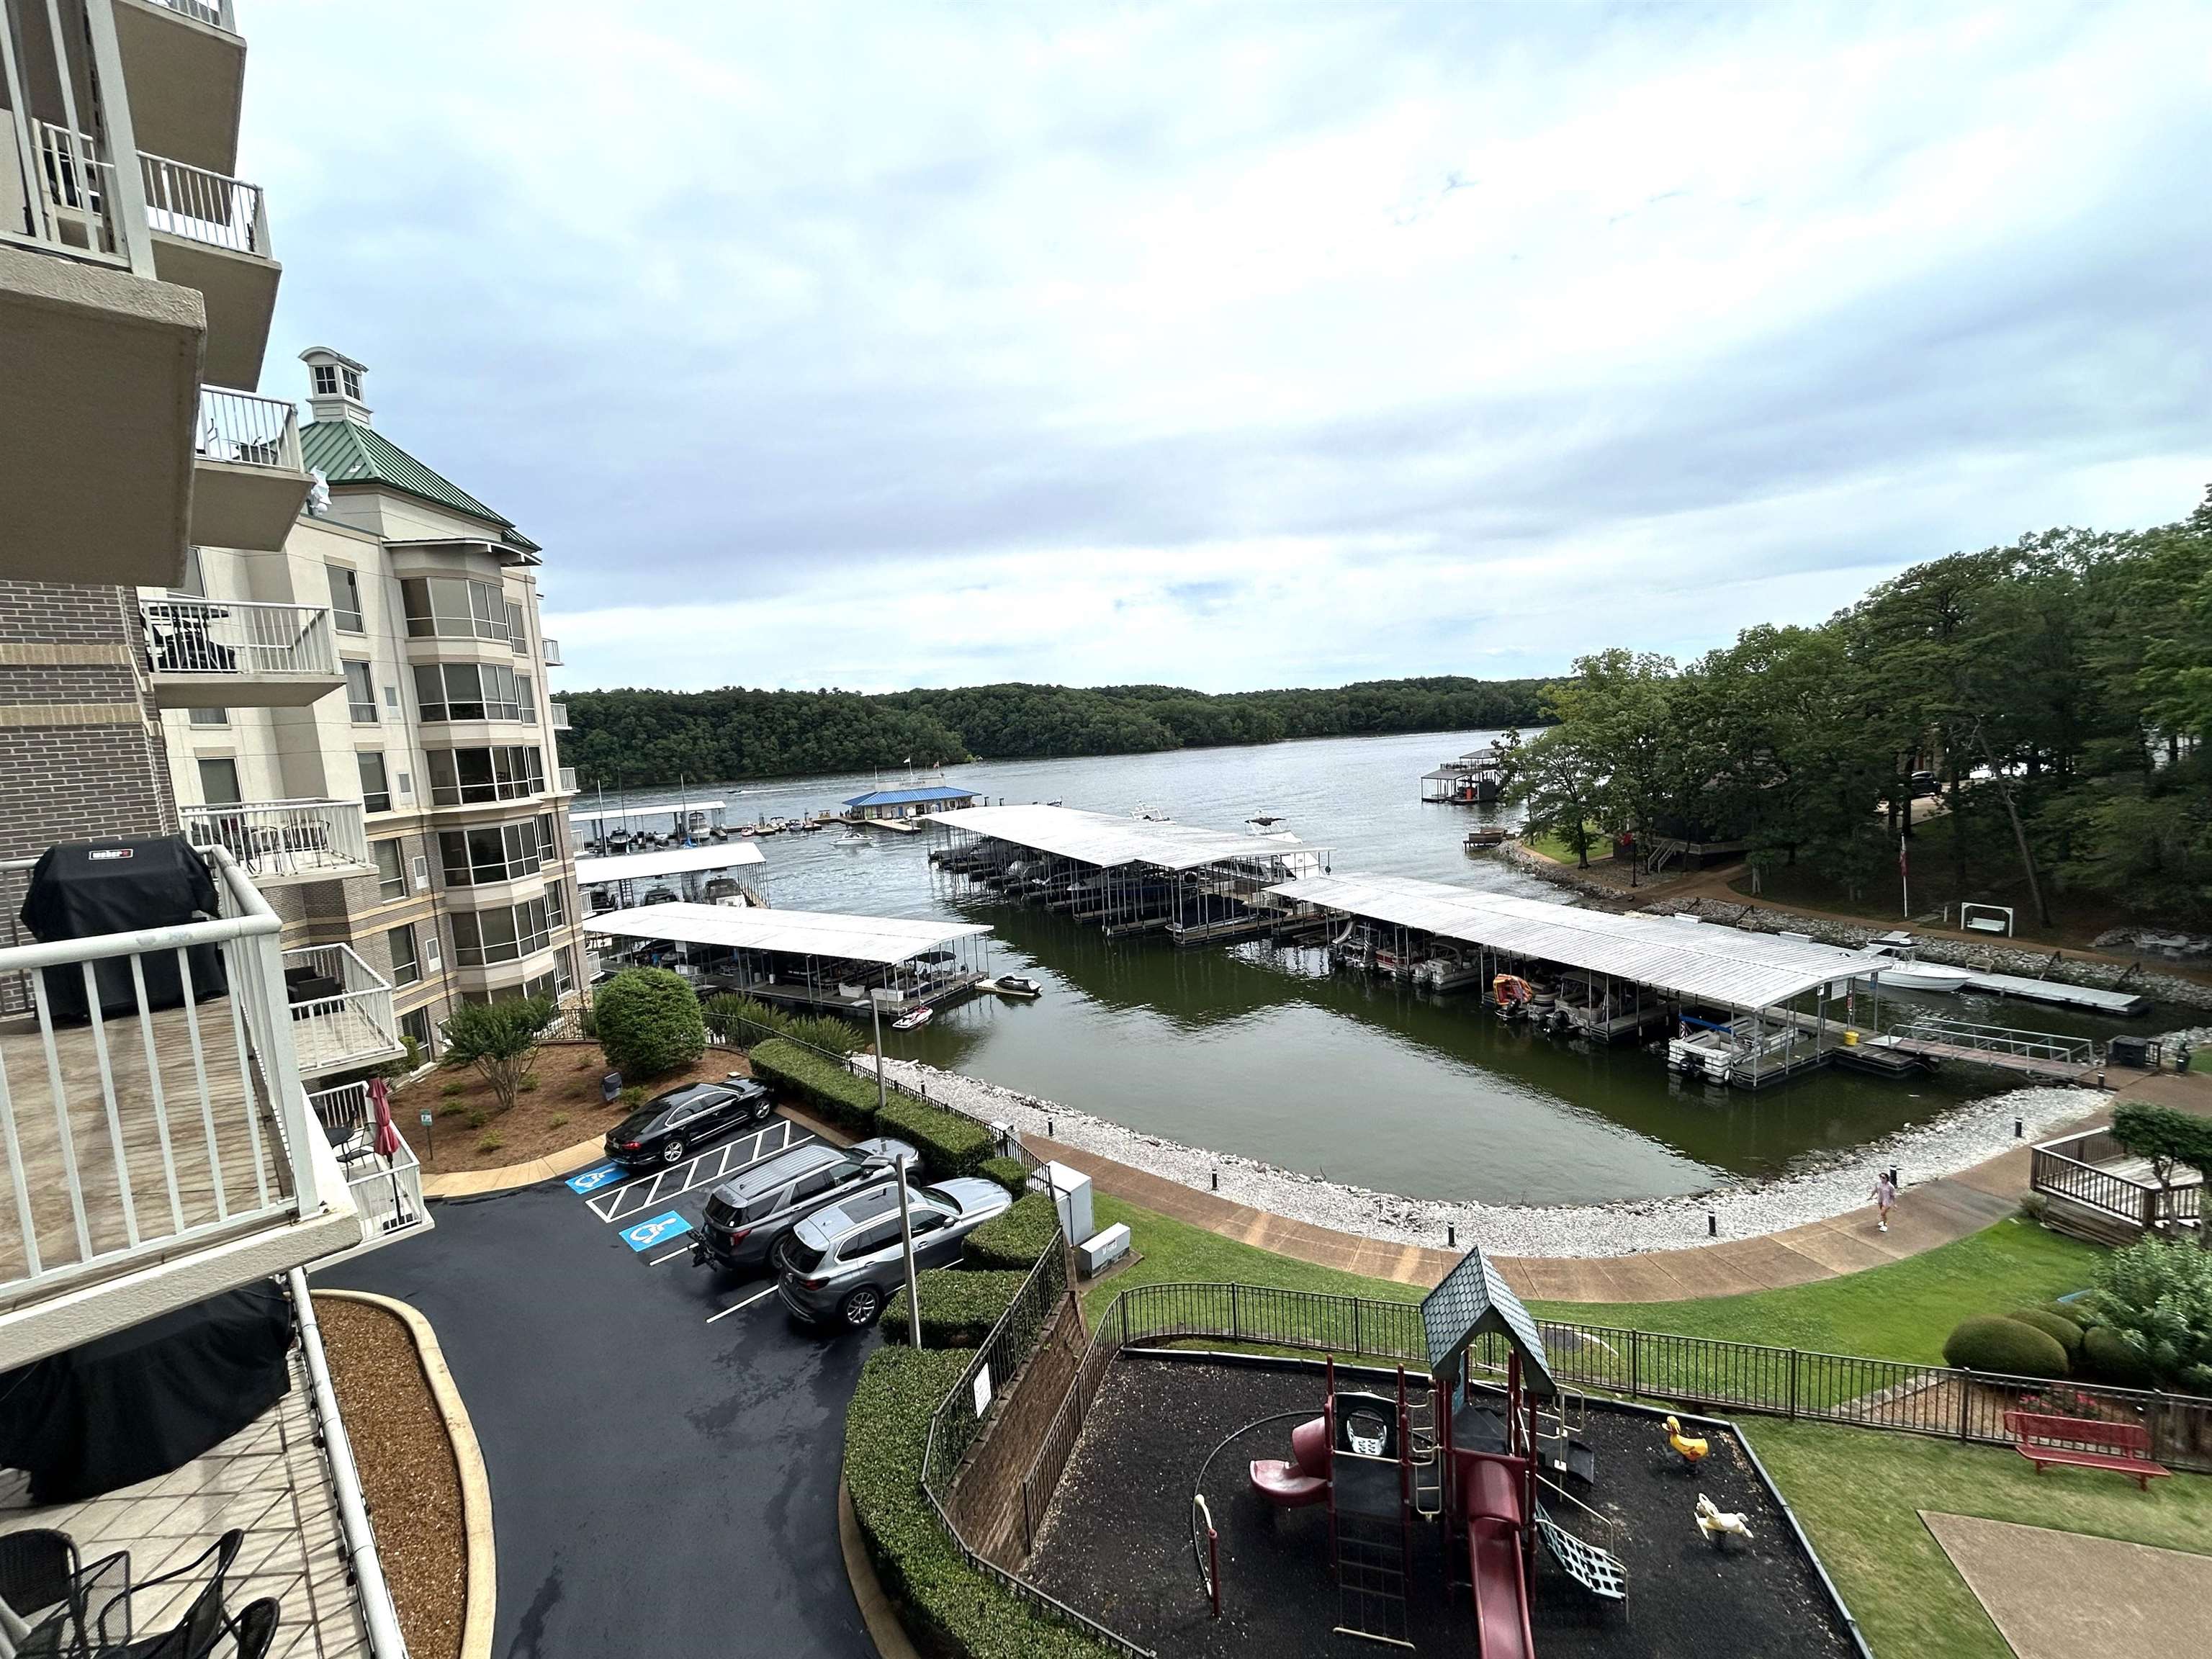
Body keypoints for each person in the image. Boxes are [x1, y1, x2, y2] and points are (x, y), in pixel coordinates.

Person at [1869, 1169, 1898, 1233]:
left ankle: (1885, 1225)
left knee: (1883, 1213)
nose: (1882, 1179)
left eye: (1883, 1178)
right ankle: (1883, 1221)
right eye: (1881, 1177)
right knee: (1882, 1212)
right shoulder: (1878, 1183)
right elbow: (1875, 1190)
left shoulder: (1890, 1186)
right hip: (1880, 1199)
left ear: (1887, 1178)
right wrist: (1871, 1196)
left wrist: (1894, 1204)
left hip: (1887, 1201)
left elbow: (1893, 1195)